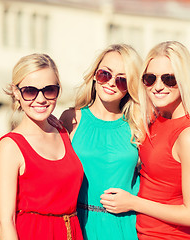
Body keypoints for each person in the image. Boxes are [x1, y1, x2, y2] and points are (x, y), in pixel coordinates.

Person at [100, 41, 190, 239]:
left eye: (169, 79)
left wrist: (133, 203)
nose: (158, 87)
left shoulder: (189, 136)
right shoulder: (154, 121)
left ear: (184, 81)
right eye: (150, 78)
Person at [58, 44, 143, 240]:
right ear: (95, 75)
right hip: (79, 225)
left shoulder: (137, 125)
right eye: (105, 74)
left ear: (130, 86)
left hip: (124, 228)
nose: (111, 83)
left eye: (122, 80)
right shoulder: (71, 119)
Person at [0, 53, 84, 240]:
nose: (41, 99)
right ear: (16, 92)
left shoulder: (63, 132)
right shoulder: (11, 146)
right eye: (30, 91)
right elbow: (6, 222)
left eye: (49, 90)